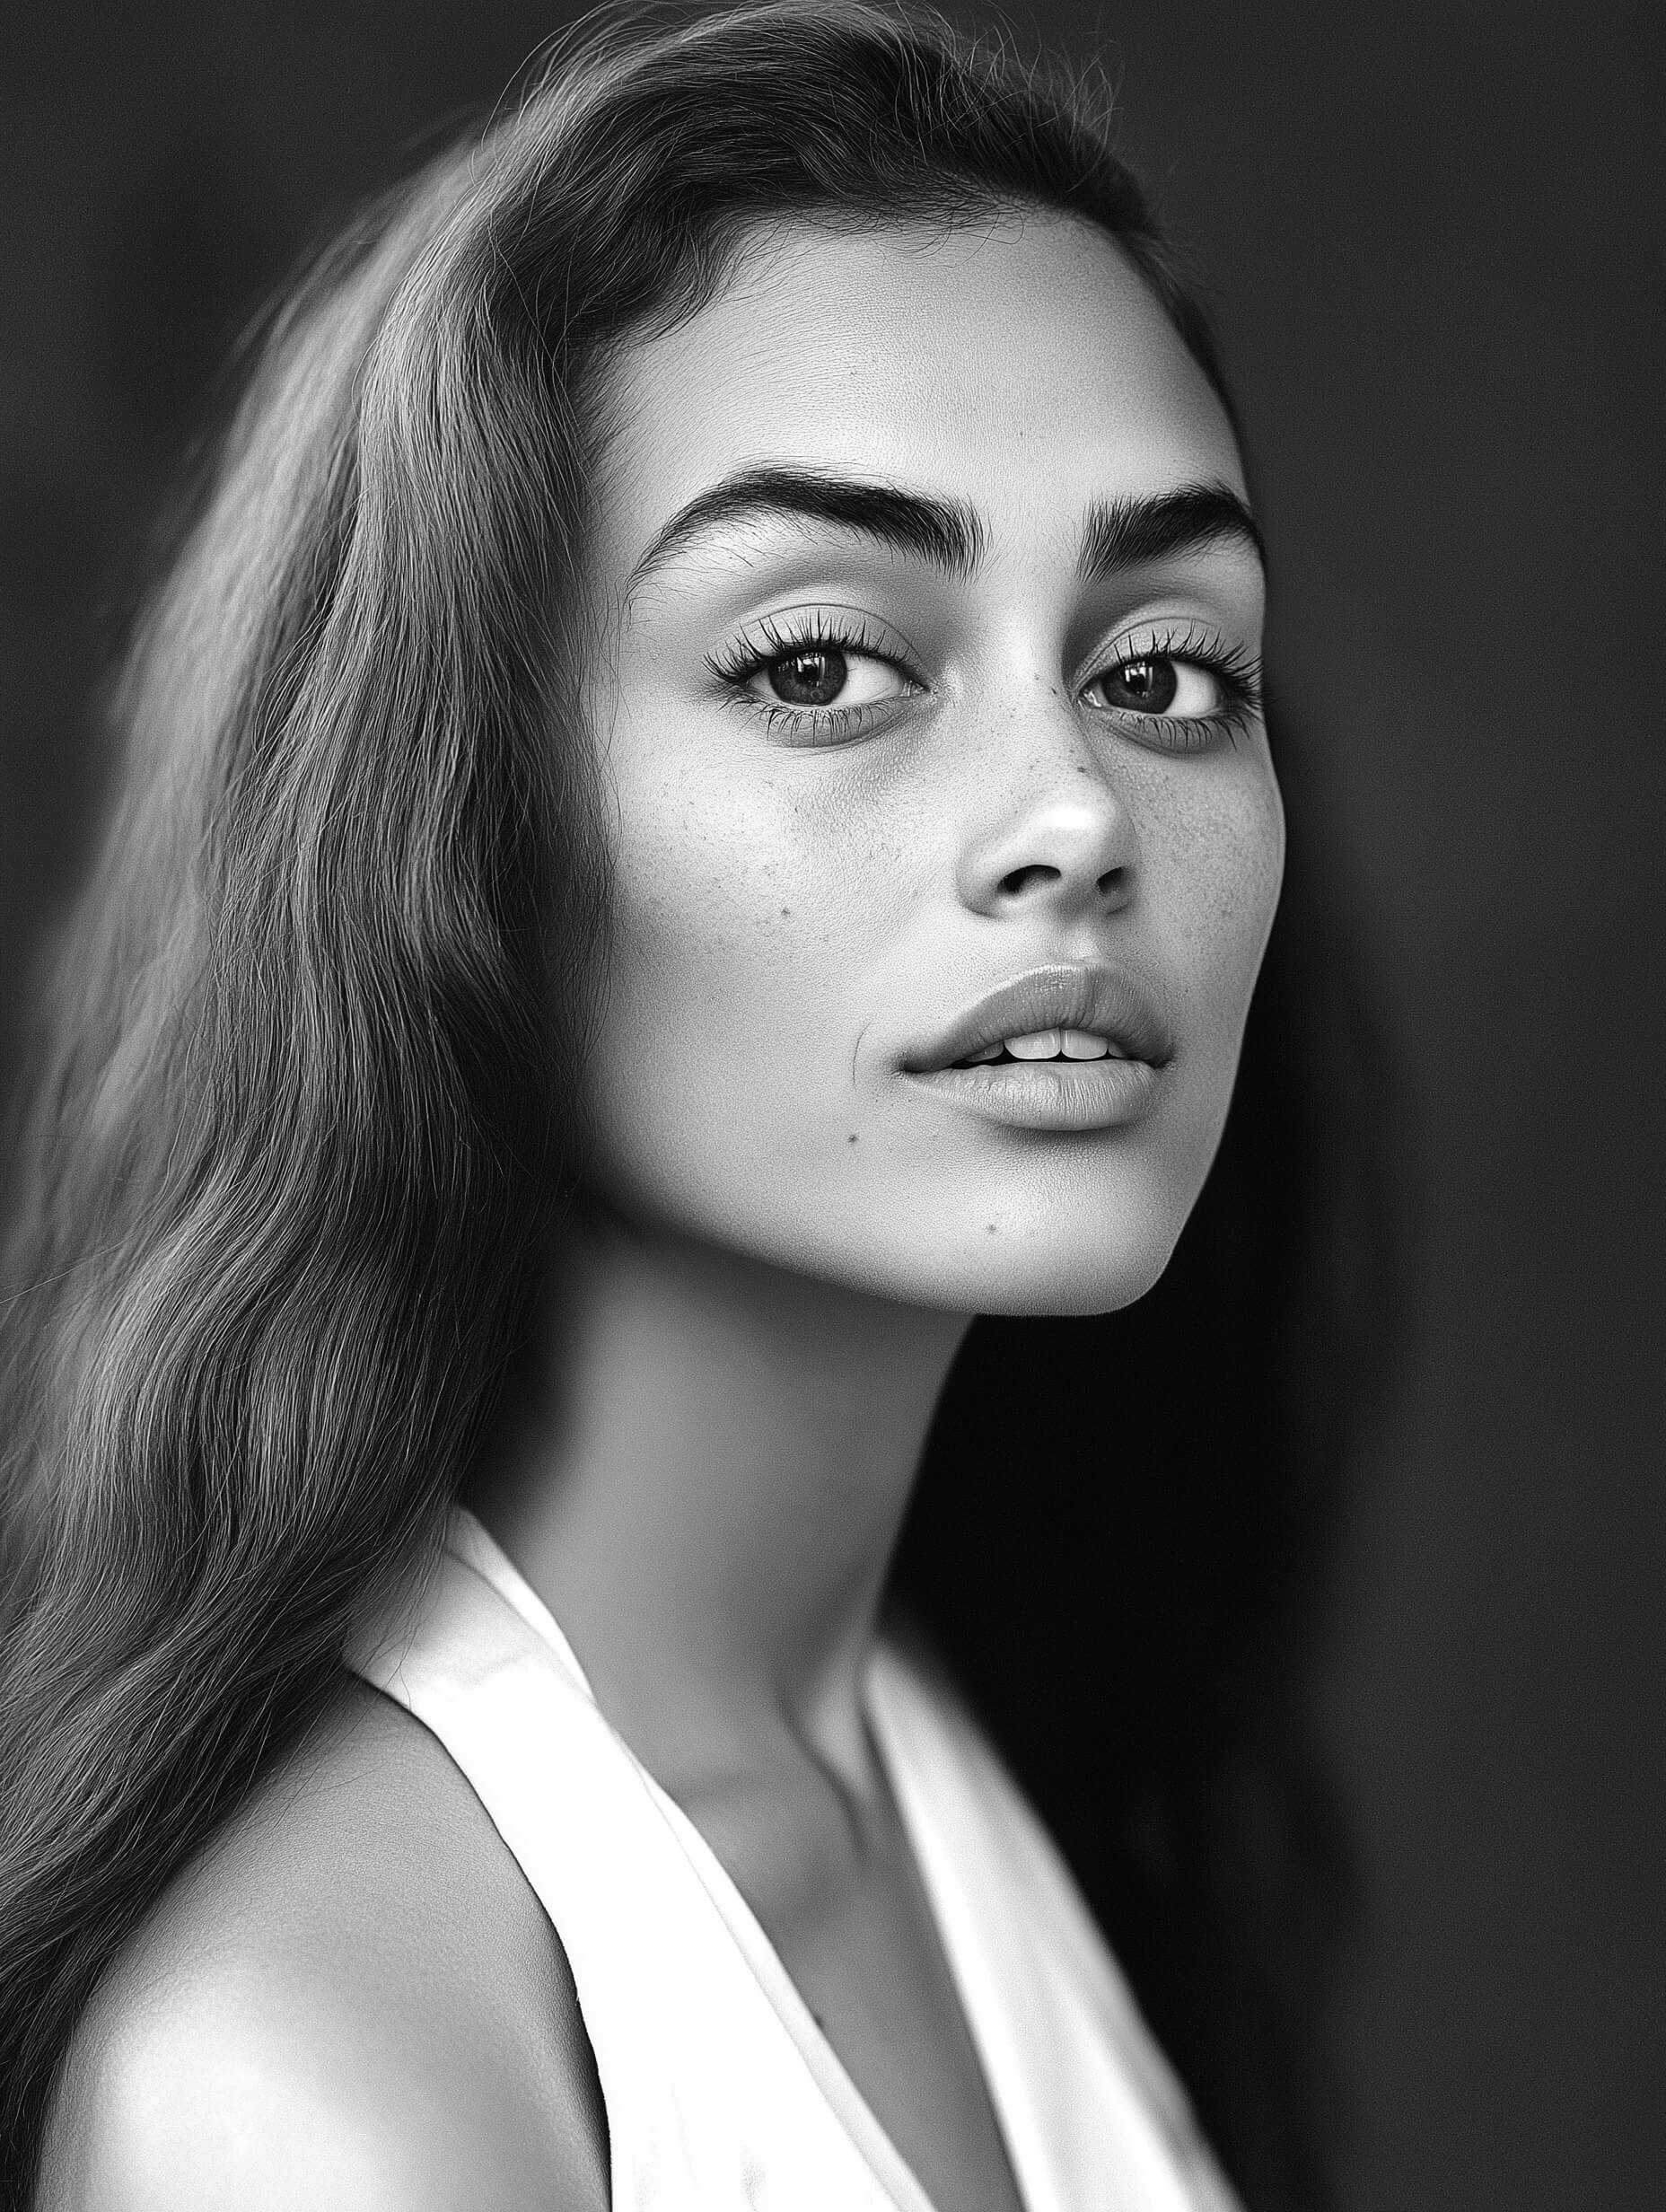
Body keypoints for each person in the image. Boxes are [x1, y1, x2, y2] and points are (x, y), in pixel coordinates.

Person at [0, 4, 1391, 2206]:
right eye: (821, 661)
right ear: (444, 826)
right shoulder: (322, 2085)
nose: (1073, 808)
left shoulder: (946, 1745)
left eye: (1161, 672)